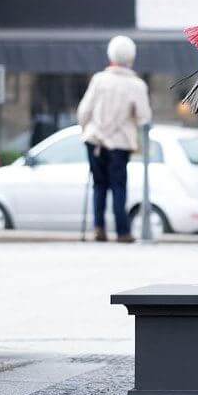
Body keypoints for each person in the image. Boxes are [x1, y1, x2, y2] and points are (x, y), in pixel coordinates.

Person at [75, 35, 151, 243]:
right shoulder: (137, 85)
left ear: (111, 56)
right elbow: (144, 116)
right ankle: (122, 231)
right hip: (120, 143)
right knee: (119, 185)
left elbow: (83, 111)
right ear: (131, 58)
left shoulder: (99, 80)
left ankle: (98, 228)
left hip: (95, 141)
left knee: (99, 185)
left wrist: (87, 129)